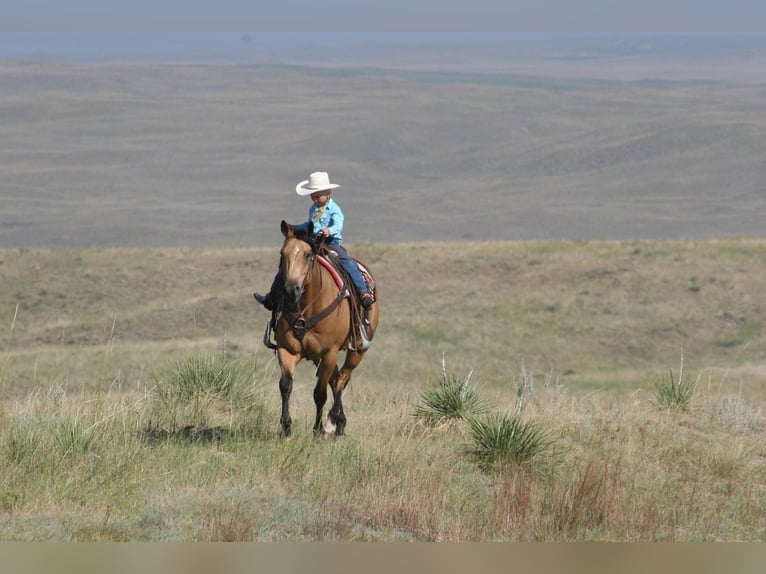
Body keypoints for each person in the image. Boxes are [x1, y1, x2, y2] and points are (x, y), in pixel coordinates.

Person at [254, 171, 373, 311]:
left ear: (328, 193)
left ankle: (362, 291)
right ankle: (272, 296)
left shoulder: (334, 209)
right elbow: (311, 224)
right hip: (314, 241)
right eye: (313, 195)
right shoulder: (313, 209)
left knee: (346, 261)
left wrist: (329, 230)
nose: (315, 198)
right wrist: (296, 227)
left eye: (318, 195)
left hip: (330, 242)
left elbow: (338, 224)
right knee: (287, 266)